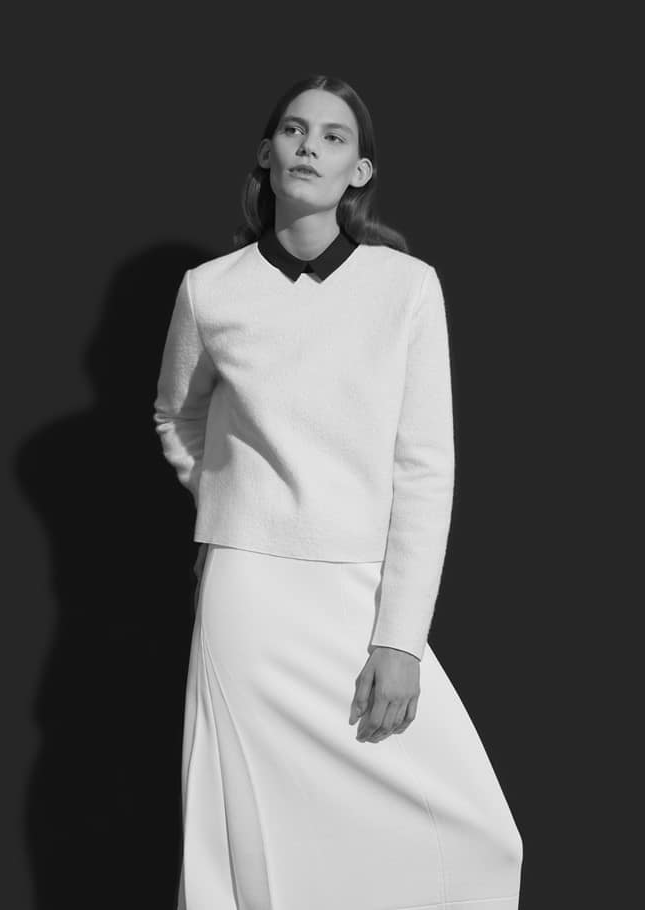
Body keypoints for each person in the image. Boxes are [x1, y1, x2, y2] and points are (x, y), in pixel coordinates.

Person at [153, 73, 524, 910]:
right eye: (293, 130)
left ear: (359, 171)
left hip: (361, 590)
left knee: (478, 834)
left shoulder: (406, 286)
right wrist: (235, 500)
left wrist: (401, 640)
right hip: (248, 595)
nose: (309, 146)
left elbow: (426, 469)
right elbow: (177, 414)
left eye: (332, 136)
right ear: (266, 154)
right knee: (250, 833)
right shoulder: (211, 289)